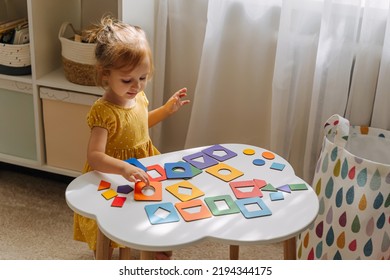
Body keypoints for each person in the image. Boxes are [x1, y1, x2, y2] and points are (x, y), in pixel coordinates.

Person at [73, 15, 190, 260]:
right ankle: (104, 252)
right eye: (127, 80)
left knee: (152, 204)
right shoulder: (103, 111)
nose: (136, 86)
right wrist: (124, 168)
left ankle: (154, 243)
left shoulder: (137, 97)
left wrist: (167, 110)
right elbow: (95, 156)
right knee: (112, 217)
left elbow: (139, 125)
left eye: (143, 78)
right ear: (105, 75)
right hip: (113, 170)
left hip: (142, 162)